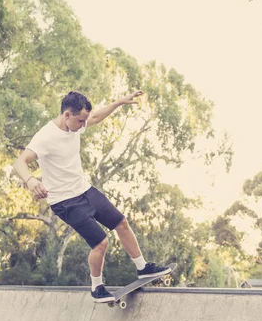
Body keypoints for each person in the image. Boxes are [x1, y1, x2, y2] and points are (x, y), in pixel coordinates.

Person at [13, 90, 170, 303]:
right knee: (100, 243)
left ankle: (143, 268)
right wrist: (31, 181)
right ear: (67, 115)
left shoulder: (78, 122)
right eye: (80, 121)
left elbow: (95, 117)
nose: (84, 125)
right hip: (64, 201)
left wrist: (119, 102)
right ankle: (97, 288)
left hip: (84, 190)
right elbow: (20, 162)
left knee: (121, 223)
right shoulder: (45, 136)